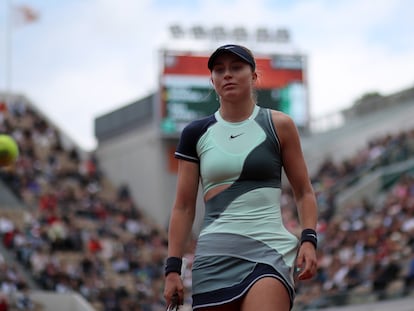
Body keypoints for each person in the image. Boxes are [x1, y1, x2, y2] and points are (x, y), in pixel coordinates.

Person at [164, 44, 318, 311]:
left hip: (269, 252)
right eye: (219, 70)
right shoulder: (195, 133)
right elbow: (184, 206)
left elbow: (303, 191)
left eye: (236, 68)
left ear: (254, 76)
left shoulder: (279, 125)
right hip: (213, 259)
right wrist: (172, 269)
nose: (228, 75)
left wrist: (309, 239)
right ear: (212, 81)